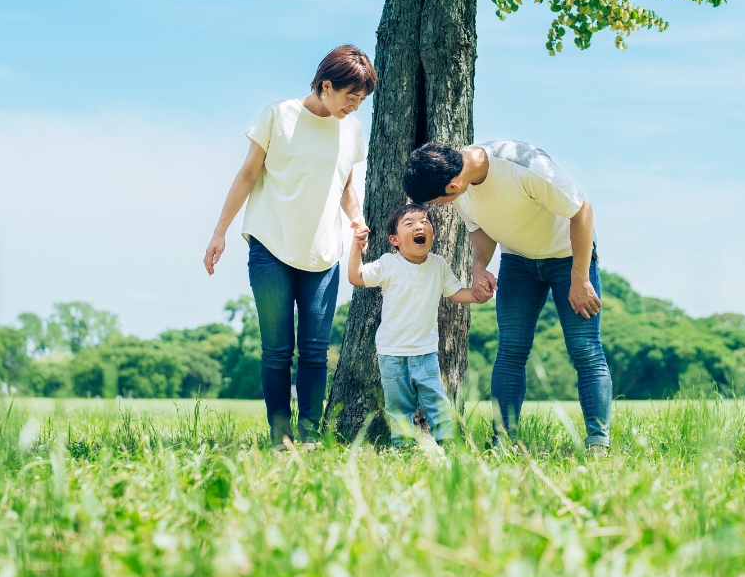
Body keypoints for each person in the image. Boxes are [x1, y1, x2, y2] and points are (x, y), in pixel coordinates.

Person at [204, 44, 376, 448]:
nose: (354, 106)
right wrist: (219, 231)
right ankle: (280, 435)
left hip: (323, 252)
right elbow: (247, 175)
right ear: (326, 85)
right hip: (271, 245)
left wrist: (357, 219)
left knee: (315, 351)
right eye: (350, 97)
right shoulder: (279, 116)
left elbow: (346, 186)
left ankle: (310, 434)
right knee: (277, 349)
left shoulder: (350, 129)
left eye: (361, 100)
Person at [401, 140, 611, 452]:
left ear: (453, 186)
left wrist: (579, 279)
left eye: (440, 201)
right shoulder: (457, 178)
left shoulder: (527, 166)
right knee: (511, 350)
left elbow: (582, 211)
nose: (443, 206)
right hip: (518, 261)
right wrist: (479, 267)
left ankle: (598, 442)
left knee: (584, 349)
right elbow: (479, 228)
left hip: (569, 257)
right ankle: (504, 441)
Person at [347, 202, 494, 447]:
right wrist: (356, 246)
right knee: (398, 407)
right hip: (391, 354)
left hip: (425, 353)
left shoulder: (438, 265)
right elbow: (356, 277)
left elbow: (456, 292)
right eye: (410, 223)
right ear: (394, 239)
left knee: (437, 403)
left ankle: (448, 446)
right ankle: (403, 447)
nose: (420, 226)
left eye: (425, 222)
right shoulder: (388, 263)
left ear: (433, 235)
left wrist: (476, 295)